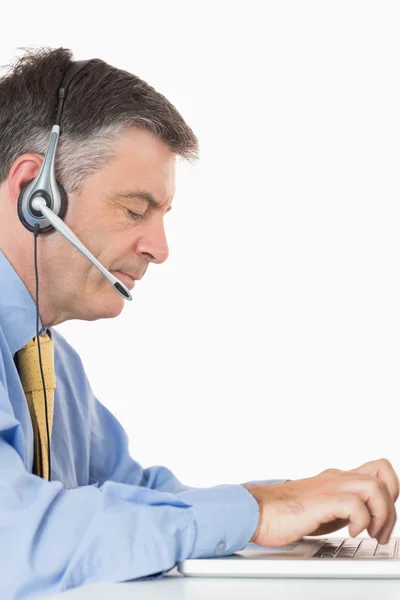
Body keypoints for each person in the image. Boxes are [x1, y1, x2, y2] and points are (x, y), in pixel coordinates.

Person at [0, 47, 398, 599]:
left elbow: (130, 496)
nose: (159, 249)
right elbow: (15, 539)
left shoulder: (52, 363)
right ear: (32, 194)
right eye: (136, 210)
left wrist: (289, 503)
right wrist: (256, 512)